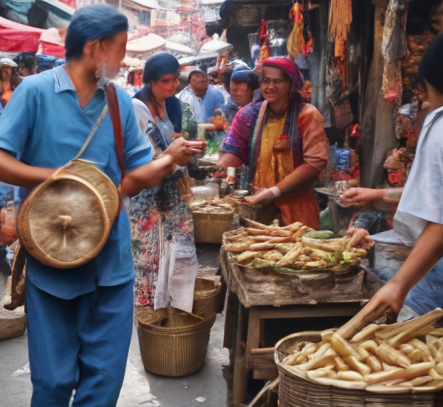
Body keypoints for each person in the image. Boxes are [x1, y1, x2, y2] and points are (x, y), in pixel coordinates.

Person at [0, 4, 205, 407]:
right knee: (51, 381)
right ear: (97, 48)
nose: (122, 60)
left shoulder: (116, 101)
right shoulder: (36, 91)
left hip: (111, 263)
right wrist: (53, 176)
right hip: (53, 261)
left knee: (104, 381)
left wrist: (170, 159)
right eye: (119, 49)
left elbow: (130, 181)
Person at [354, 33, 443, 323]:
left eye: (424, 93)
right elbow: (431, 196)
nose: (422, 101)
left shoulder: (440, 128)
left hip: (430, 272)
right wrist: (377, 195)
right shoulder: (434, 121)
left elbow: (440, 219)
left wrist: (398, 285)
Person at [219, 57, 329, 229]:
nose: (270, 87)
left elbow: (314, 163)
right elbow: (233, 153)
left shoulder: (307, 115)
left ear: (291, 84)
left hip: (297, 208)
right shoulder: (248, 114)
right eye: (265, 81)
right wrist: (216, 173)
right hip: (257, 206)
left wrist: (274, 191)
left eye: (278, 81)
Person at [131, 53, 198, 310]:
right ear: (150, 81)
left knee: (177, 252)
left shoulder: (172, 106)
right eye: (164, 81)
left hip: (174, 192)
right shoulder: (136, 108)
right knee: (148, 254)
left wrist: (186, 150)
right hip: (146, 193)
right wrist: (170, 156)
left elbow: (172, 145)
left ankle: (175, 305)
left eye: (174, 80)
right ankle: (149, 309)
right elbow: (137, 155)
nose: (171, 86)